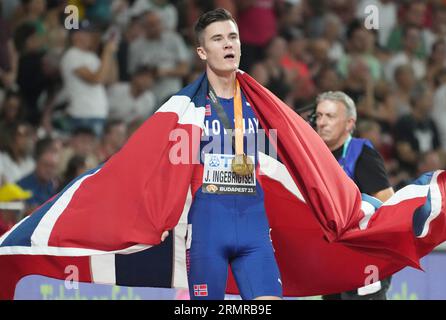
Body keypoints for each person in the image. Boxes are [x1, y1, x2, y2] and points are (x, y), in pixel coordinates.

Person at [180, 8, 282, 300]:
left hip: (255, 231)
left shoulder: (262, 103)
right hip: (206, 232)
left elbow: (282, 157)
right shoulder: (187, 108)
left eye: (233, 37)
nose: (228, 44)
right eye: (217, 38)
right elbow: (166, 169)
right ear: (202, 51)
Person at [315, 91, 394, 300]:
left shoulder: (362, 154)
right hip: (332, 257)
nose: (322, 123)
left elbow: (388, 203)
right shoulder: (314, 156)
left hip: (365, 257)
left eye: (330, 116)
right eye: (319, 116)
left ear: (350, 123)